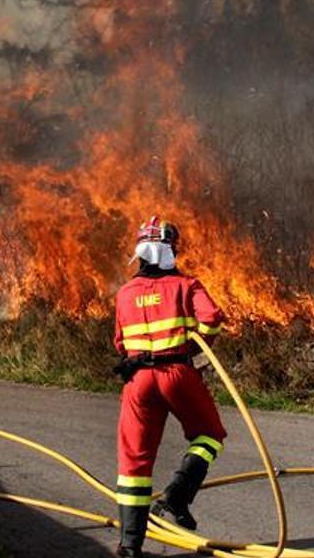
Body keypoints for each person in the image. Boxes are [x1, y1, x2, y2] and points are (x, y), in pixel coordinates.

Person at [112, 216, 227, 558]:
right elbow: (212, 318)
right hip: (177, 373)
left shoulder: (125, 293)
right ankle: (177, 496)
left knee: (134, 462)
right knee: (209, 435)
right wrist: (197, 347)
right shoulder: (185, 285)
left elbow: (120, 342)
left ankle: (129, 545)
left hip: (137, 381)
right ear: (169, 251)